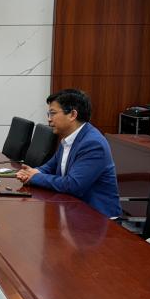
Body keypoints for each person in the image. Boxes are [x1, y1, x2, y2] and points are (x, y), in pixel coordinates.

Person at [15, 89, 121, 218]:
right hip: (73, 210)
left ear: (72, 115)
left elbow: (73, 185)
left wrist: (35, 177)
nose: (49, 119)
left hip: (99, 218)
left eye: (53, 113)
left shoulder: (93, 144)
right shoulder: (69, 138)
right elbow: (50, 167)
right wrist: (32, 172)